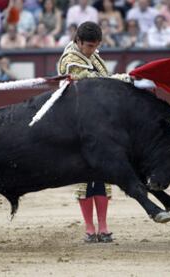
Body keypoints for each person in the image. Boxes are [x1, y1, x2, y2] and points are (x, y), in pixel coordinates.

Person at [57, 21, 113, 243]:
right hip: (76, 123)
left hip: (98, 122)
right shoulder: (70, 60)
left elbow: (104, 79)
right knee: (84, 176)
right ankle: (90, 228)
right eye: (89, 45)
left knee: (103, 174)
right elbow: (92, 83)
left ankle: (104, 225)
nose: (92, 49)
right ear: (77, 41)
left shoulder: (94, 56)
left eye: (95, 45)